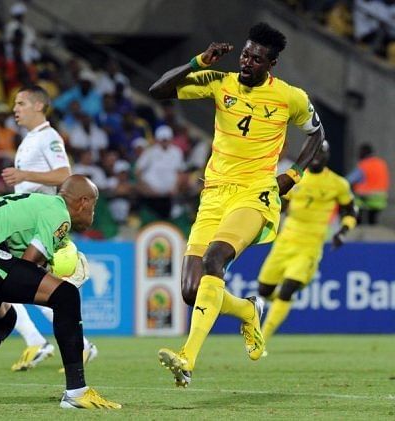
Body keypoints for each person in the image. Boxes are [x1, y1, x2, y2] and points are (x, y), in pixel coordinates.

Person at [149, 22, 325, 387]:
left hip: (255, 193)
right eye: (245, 54)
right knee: (189, 291)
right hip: (214, 193)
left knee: (216, 258)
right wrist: (197, 62)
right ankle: (248, 310)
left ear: (271, 64)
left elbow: (316, 133)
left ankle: (187, 358)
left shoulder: (290, 97)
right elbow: (158, 90)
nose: (246, 62)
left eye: (256, 59)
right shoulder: (220, 82)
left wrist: (293, 176)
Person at [0, 175, 121, 409]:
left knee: (5, 317)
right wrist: (57, 277)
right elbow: (30, 264)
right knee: (66, 296)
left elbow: (22, 267)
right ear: (83, 202)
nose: (93, 214)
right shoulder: (58, 212)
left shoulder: (37, 205)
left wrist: (47, 271)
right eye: (93, 206)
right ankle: (77, 393)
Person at [1, 85, 98, 371]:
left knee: (7, 281)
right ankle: (60, 343)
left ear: (39, 106)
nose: (15, 108)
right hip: (23, 222)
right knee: (28, 286)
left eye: (21, 103)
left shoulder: (49, 137)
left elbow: (65, 175)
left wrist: (24, 174)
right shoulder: (30, 139)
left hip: (39, 223)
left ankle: (39, 341)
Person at [257, 141, 356, 352]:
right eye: (315, 151)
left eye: (322, 152)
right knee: (264, 290)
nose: (318, 155)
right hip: (285, 242)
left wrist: (343, 231)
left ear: (328, 156)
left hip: (310, 245)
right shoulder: (294, 177)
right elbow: (280, 204)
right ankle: (284, 302)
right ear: (307, 154)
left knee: (287, 289)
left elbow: (350, 210)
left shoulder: (338, 184)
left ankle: (261, 339)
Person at [346, 143, 390, 225]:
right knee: (372, 219)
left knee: (351, 201)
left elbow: (348, 180)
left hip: (366, 198)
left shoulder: (364, 165)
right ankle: (372, 226)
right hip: (381, 198)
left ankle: (356, 224)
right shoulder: (381, 163)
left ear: (363, 153)